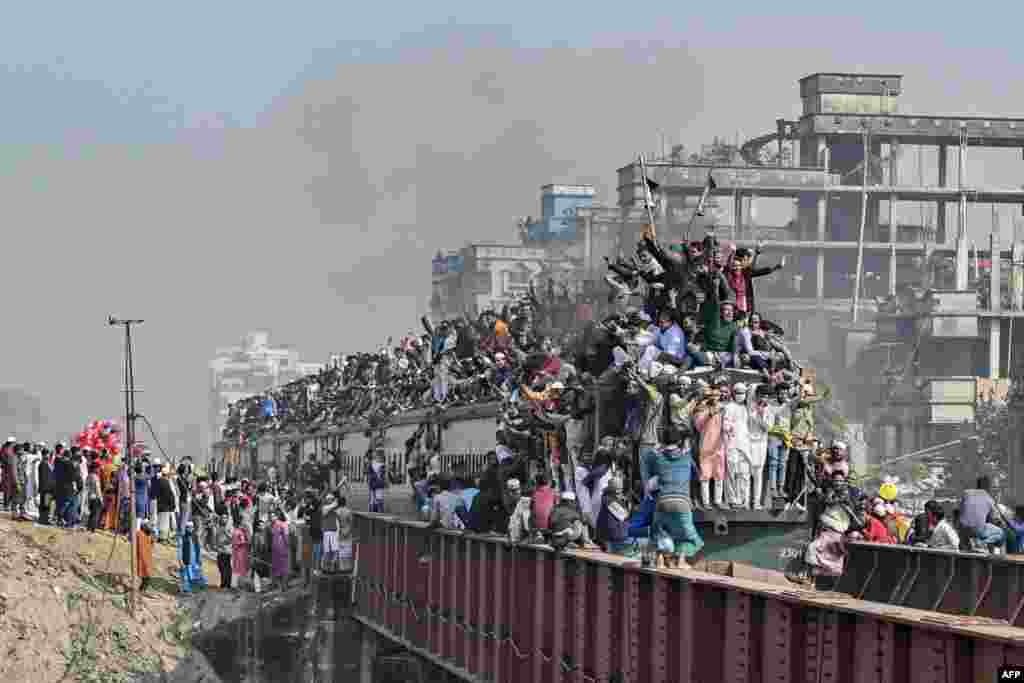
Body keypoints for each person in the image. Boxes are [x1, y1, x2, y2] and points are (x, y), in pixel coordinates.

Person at [958, 476, 1006, 553]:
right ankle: (982, 544)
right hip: (977, 530)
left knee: (967, 531)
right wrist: (1001, 523)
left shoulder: (966, 493)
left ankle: (967, 546)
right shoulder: (989, 499)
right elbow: (995, 519)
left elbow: (962, 509)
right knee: (1001, 533)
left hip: (962, 529)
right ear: (988, 487)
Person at [212, 513, 234, 589]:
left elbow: (232, 539)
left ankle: (227, 584)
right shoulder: (218, 527)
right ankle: (223, 582)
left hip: (227, 551)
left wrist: (226, 533)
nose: (223, 519)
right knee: (221, 567)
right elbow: (215, 538)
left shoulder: (230, 528)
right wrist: (215, 546)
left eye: (225, 518)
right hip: (220, 551)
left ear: (227, 519)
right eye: (222, 518)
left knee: (227, 567)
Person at [270, 510, 291, 589]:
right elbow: (285, 537)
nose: (272, 518)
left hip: (278, 547)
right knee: (281, 566)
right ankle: (282, 586)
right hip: (279, 548)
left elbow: (284, 536)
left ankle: (282, 585)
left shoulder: (278, 524)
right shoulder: (279, 525)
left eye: (273, 516)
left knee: (280, 567)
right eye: (271, 516)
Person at [137, 521, 155, 593]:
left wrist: (152, 537)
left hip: (147, 558)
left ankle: (142, 590)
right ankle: (141, 590)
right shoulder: (139, 534)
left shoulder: (148, 534)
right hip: (141, 558)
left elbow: (152, 544)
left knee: (148, 576)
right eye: (148, 526)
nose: (149, 527)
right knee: (146, 575)